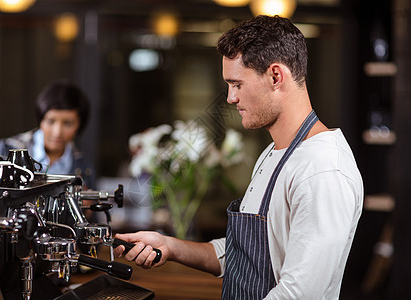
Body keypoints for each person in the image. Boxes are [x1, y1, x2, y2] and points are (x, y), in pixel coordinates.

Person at [114, 15, 364, 299]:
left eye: (237, 84)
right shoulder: (273, 153)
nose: (230, 98)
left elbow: (299, 294)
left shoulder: (322, 170)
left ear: (275, 76)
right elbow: (241, 256)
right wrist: (169, 246)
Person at [0, 79, 95, 188]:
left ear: (79, 125)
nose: (57, 132)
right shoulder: (8, 150)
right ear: (41, 120)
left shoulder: (84, 168)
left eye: (68, 124)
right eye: (50, 121)